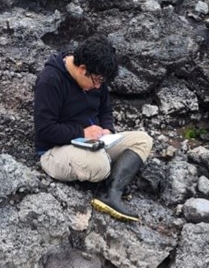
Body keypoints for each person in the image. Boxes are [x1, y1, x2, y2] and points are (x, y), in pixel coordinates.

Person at [33, 38, 153, 222]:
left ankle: (112, 194)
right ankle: (110, 175)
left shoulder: (96, 75)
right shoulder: (50, 80)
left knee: (143, 139)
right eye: (96, 81)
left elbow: (105, 110)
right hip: (55, 151)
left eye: (101, 82)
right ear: (82, 69)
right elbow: (45, 130)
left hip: (94, 143)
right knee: (99, 165)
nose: (97, 86)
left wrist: (107, 130)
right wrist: (82, 133)